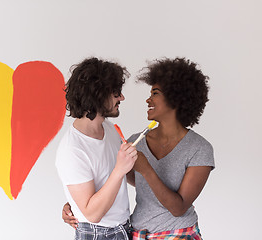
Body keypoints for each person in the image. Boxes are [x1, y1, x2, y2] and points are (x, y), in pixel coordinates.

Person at [63, 57, 215, 240]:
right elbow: (113, 179)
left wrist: (147, 169)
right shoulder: (136, 141)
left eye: (155, 93)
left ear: (176, 98)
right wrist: (76, 203)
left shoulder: (199, 148)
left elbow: (178, 208)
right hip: (135, 233)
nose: (147, 99)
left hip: (178, 234)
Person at [56, 57, 137, 240]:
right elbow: (92, 214)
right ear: (97, 95)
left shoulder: (108, 129)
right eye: (116, 92)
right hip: (98, 234)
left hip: (123, 228)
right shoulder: (72, 149)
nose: (121, 97)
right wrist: (120, 169)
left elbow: (111, 182)